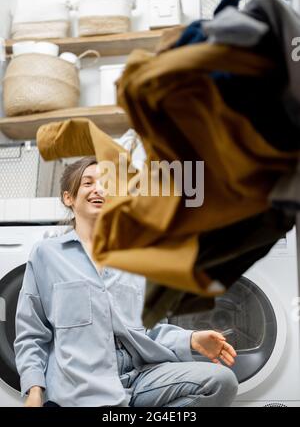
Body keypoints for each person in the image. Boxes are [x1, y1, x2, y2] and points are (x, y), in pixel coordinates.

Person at [14, 156, 238, 407]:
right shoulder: (47, 255)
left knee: (221, 381)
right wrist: (34, 390)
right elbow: (31, 332)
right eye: (88, 183)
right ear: (69, 198)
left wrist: (191, 339)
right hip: (81, 385)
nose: (99, 189)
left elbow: (150, 330)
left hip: (142, 375)